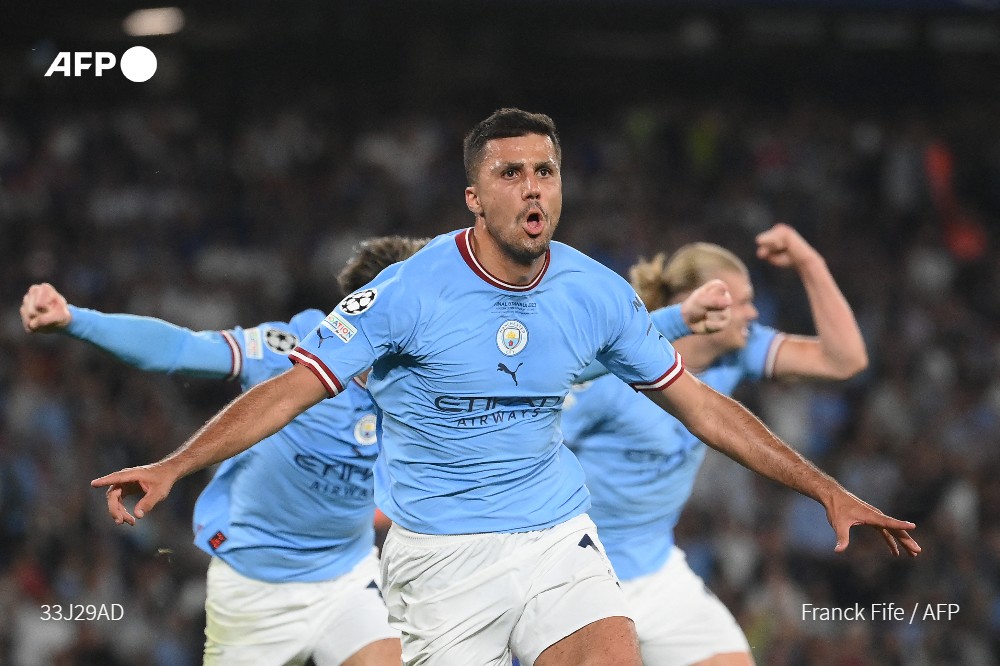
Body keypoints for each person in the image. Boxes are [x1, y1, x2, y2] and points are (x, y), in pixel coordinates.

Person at [89, 108, 919, 666]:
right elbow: (290, 389)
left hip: (555, 537)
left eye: (546, 171)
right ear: (475, 197)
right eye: (511, 172)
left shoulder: (595, 293)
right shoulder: (408, 292)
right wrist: (175, 466)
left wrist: (825, 489)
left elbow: (702, 406)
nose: (532, 188)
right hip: (439, 560)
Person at [20, 235, 428, 666]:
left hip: (347, 578)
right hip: (253, 585)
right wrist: (75, 320)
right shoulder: (292, 350)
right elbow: (181, 349)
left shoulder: (426, 382)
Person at [561, 224, 870, 665]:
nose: (752, 312)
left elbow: (845, 360)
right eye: (740, 301)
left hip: (658, 573)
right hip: (581, 578)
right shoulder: (611, 374)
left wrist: (809, 262)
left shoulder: (737, 351)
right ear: (695, 298)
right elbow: (531, 449)